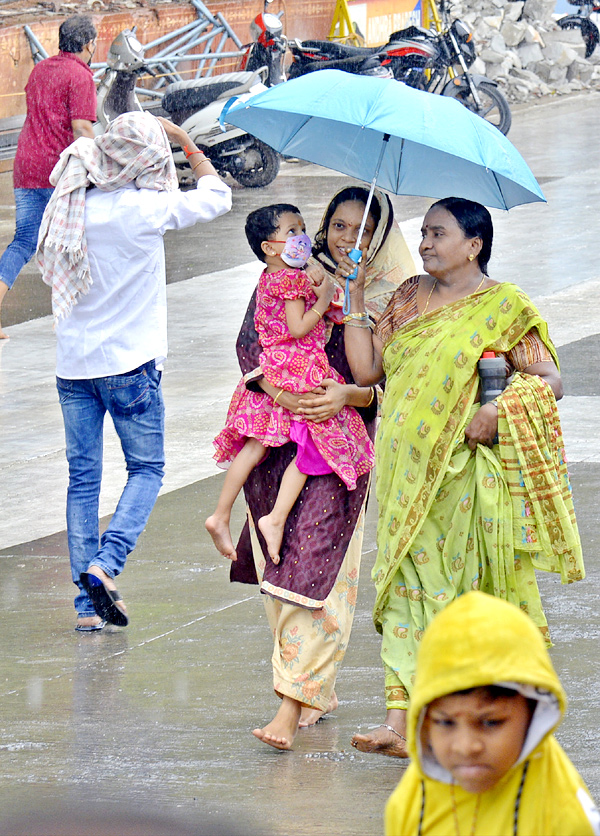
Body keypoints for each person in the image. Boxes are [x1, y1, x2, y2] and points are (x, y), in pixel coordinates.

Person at [343, 196, 584, 757]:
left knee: (459, 593)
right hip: (404, 470)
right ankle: (399, 726)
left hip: (465, 476)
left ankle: (463, 719)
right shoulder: (407, 296)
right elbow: (366, 370)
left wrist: (498, 410)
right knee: (405, 587)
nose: (424, 243)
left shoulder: (504, 306)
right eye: (423, 233)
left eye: (437, 233)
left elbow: (551, 379)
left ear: (474, 245)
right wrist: (354, 297)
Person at [226, 185, 415, 747]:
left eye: (360, 230)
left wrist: (345, 398)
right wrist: (283, 397)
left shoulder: (399, 300)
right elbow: (251, 349)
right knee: (279, 571)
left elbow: (393, 388)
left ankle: (296, 694)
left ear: (380, 238)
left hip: (338, 452)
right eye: (337, 225)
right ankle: (310, 686)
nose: (344, 238)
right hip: (277, 438)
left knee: (322, 574)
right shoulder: (291, 277)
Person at [36, 110, 231, 632]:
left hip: (73, 365)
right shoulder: (144, 208)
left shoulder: (74, 203)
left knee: (83, 480)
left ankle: (86, 609)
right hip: (129, 365)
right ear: (149, 159)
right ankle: (107, 564)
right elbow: (217, 197)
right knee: (146, 470)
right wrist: (187, 141)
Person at [206, 203, 374, 565]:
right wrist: (327, 296)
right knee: (317, 440)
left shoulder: (271, 276)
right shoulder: (290, 280)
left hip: (277, 366)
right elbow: (299, 328)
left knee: (254, 448)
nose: (301, 238)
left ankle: (222, 513)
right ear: (269, 247)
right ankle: (275, 517)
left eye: (302, 229)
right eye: (292, 232)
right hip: (297, 371)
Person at [385, 591, 600, 836]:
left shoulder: (566, 819)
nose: (466, 747)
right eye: (445, 722)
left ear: (534, 715)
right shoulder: (408, 807)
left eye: (490, 722)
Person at [0, 14, 98, 339]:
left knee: (25, 240)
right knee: (85, 237)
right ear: (88, 44)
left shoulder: (40, 69)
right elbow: (82, 128)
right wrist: (102, 165)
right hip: (57, 171)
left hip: (26, 164)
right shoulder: (81, 76)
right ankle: (88, 313)